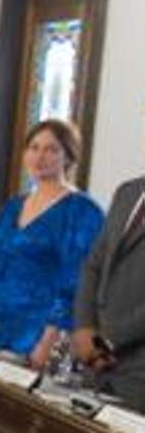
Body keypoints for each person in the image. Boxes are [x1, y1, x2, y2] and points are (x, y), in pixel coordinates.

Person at [0, 119, 104, 367]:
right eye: (34, 147)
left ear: (68, 156)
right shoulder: (13, 206)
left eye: (51, 149)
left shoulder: (81, 210)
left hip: (42, 333)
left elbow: (77, 282)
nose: (40, 156)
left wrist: (49, 340)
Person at [73, 169, 145, 411]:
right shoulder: (128, 191)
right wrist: (84, 326)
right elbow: (93, 264)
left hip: (137, 367)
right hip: (95, 360)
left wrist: (110, 339)